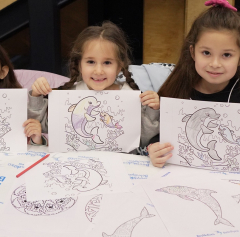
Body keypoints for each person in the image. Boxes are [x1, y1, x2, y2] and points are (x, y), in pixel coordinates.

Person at [146, 0, 240, 171]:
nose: (215, 64)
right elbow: (160, 137)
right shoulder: (177, 86)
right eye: (206, 53)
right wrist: (153, 149)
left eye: (226, 55)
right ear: (193, 52)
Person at [28, 21, 160, 151]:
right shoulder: (68, 95)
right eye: (91, 62)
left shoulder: (131, 96)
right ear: (79, 65)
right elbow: (42, 128)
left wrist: (152, 110)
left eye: (107, 62)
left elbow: (143, 139)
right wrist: (36, 95)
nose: (98, 71)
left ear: (119, 66)